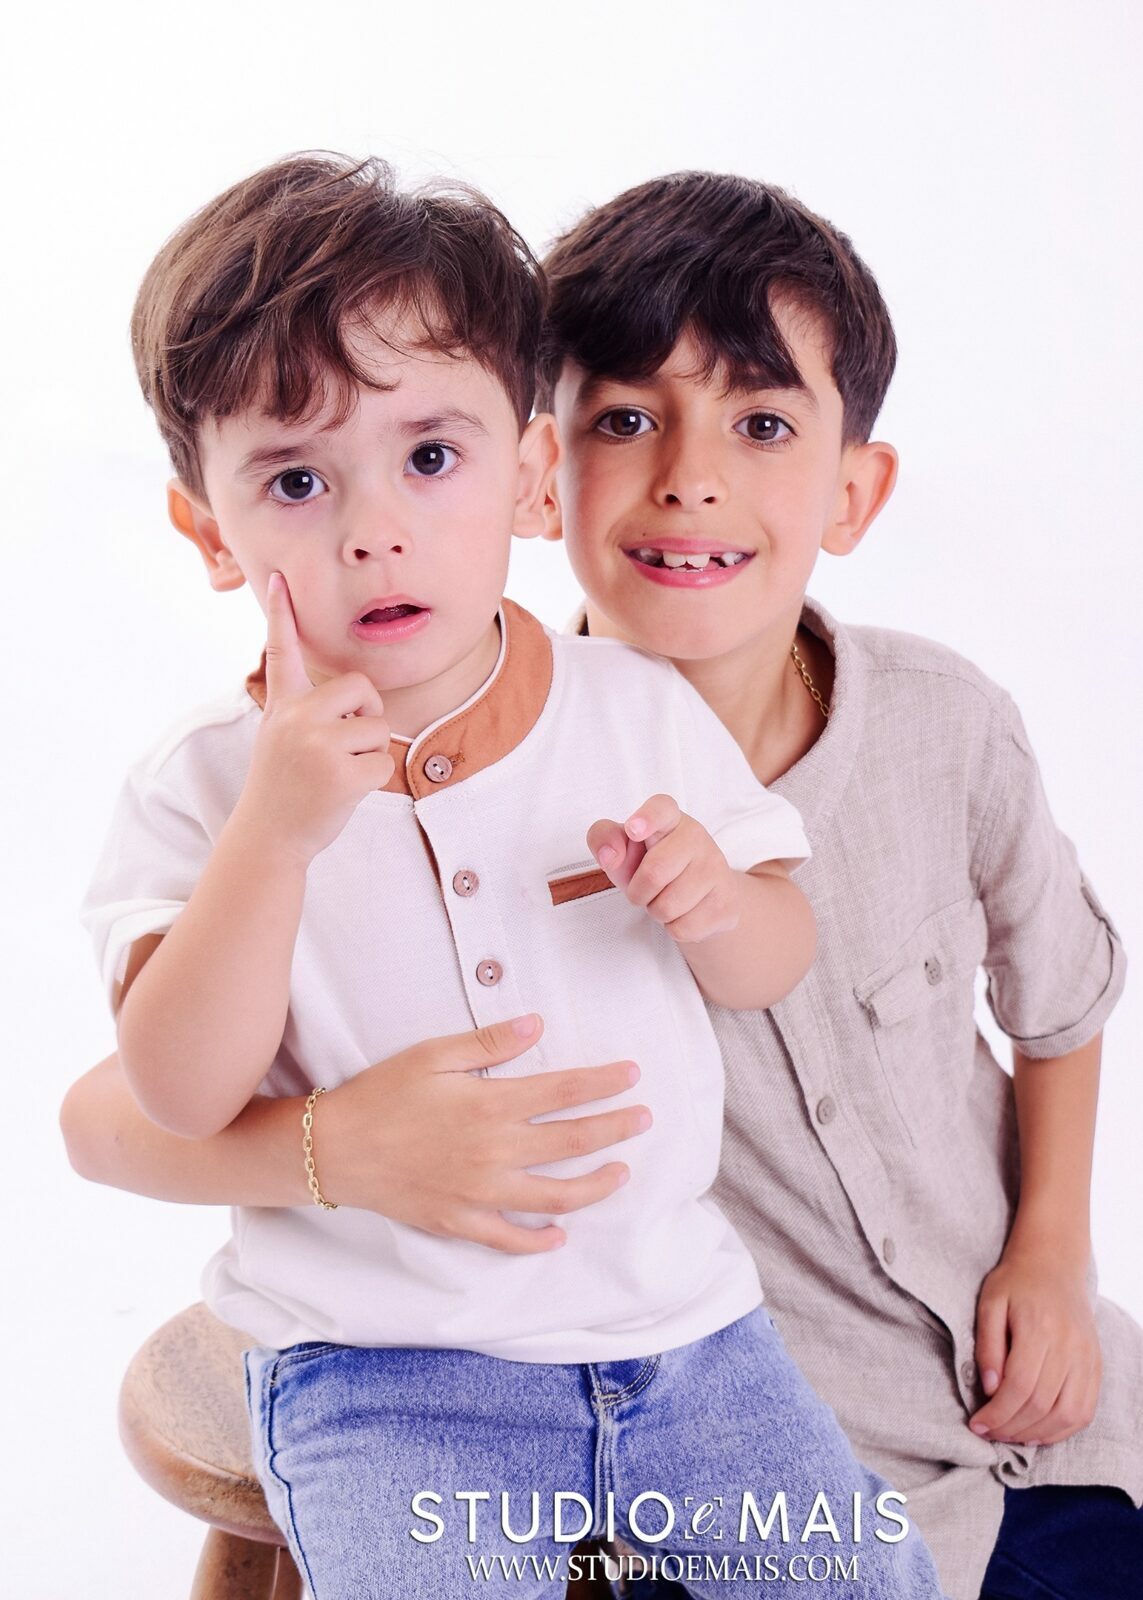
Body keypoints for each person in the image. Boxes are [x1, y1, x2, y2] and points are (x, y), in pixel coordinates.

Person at [60, 166, 1142, 1598]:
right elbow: (132, 1110)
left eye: (764, 424)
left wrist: (1053, 1250)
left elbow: (1018, 991)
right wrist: (286, 892)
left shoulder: (801, 724)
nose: (691, 478)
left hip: (853, 1377)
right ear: (553, 471)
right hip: (503, 1387)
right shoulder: (231, 780)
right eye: (627, 420)